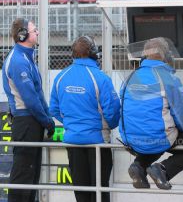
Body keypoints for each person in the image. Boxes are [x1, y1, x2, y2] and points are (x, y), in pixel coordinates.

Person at [119, 37, 183, 190]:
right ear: (167, 56)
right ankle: (163, 169)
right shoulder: (168, 78)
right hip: (157, 138)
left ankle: (139, 165)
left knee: (153, 137)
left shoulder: (129, 77)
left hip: (131, 140)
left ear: (144, 56)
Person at [49, 36, 121, 202]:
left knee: (81, 191)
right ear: (94, 54)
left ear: (73, 54)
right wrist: (106, 126)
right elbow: (113, 113)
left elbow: (53, 108)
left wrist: (71, 124)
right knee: (100, 190)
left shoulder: (61, 77)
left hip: (73, 141)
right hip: (98, 142)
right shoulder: (101, 78)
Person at [2, 18, 55, 202]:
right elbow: (31, 99)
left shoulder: (26, 57)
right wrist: (47, 121)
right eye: (34, 30)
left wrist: (46, 116)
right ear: (23, 35)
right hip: (26, 122)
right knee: (23, 175)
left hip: (31, 121)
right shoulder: (18, 61)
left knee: (31, 174)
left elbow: (38, 93)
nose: (37, 33)